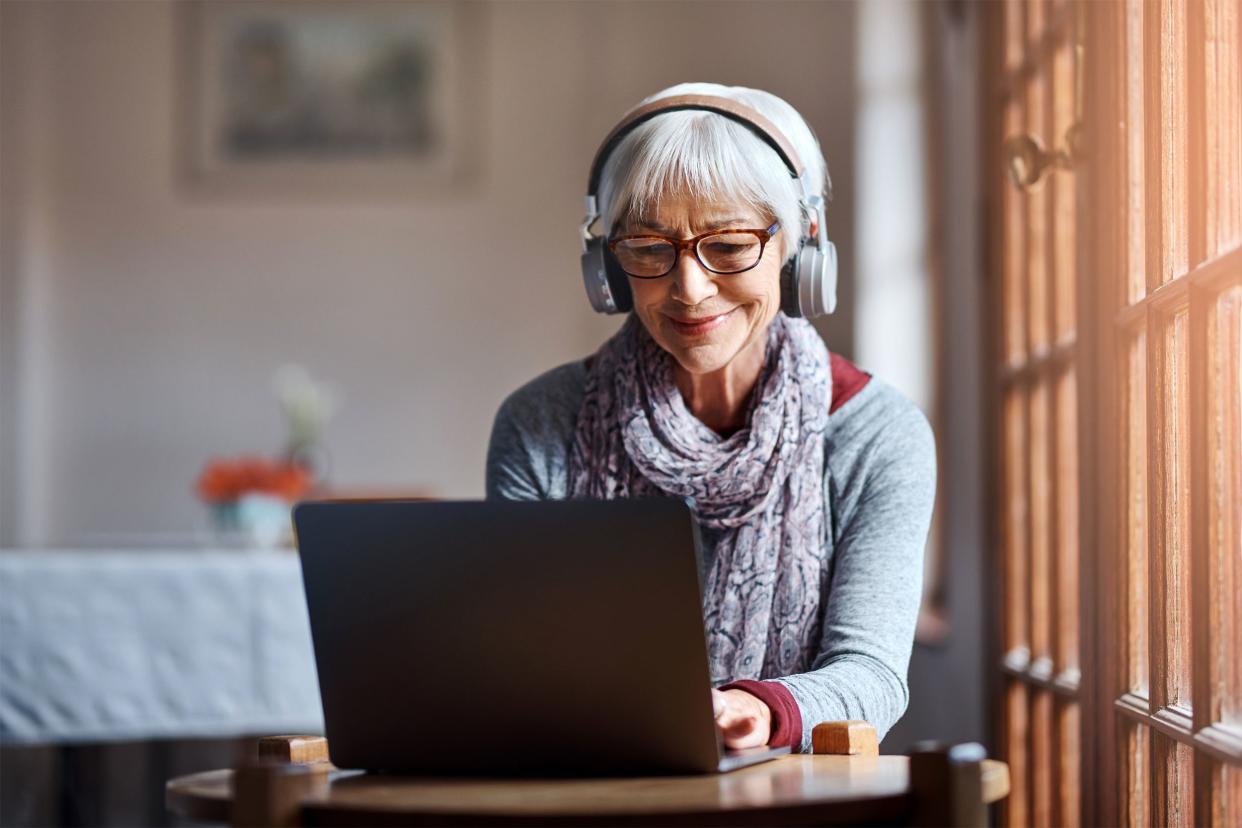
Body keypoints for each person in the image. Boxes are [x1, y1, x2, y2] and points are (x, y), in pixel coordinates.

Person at [486, 82, 936, 753]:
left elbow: (872, 674)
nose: (690, 289)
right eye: (647, 248)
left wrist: (760, 708)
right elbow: (519, 663)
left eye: (728, 246)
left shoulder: (879, 435)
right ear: (607, 268)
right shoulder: (539, 425)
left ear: (800, 250)